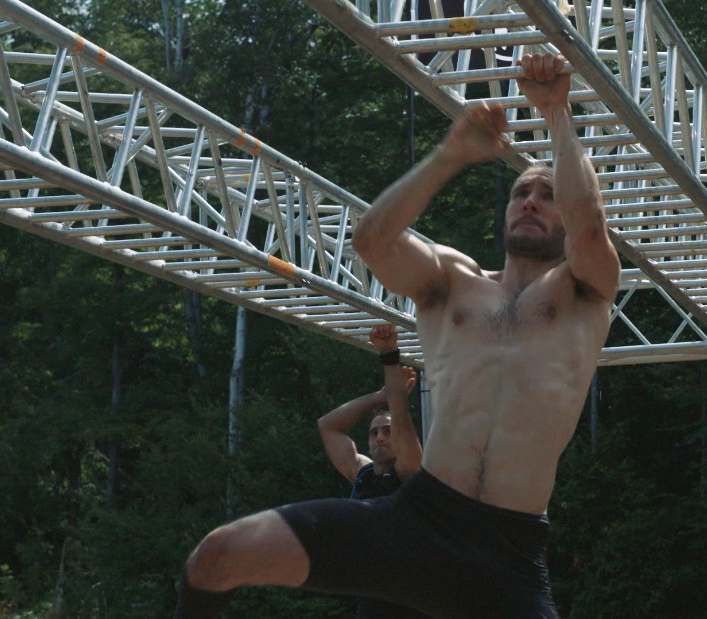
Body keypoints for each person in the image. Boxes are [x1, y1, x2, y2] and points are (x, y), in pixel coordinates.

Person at [173, 52, 620, 618]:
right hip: (419, 519)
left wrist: (556, 113)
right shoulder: (452, 282)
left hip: (507, 553)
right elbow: (372, 242)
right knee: (219, 554)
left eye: (547, 195)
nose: (530, 200)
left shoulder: (585, 290)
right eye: (519, 193)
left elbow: (590, 226)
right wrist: (451, 153)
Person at [316, 324, 427, 618]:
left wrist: (390, 356)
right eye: (374, 432)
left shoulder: (409, 472)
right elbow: (328, 425)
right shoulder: (363, 473)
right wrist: (380, 397)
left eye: (387, 432)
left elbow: (402, 417)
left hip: (411, 603)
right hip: (371, 601)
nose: (379, 438)